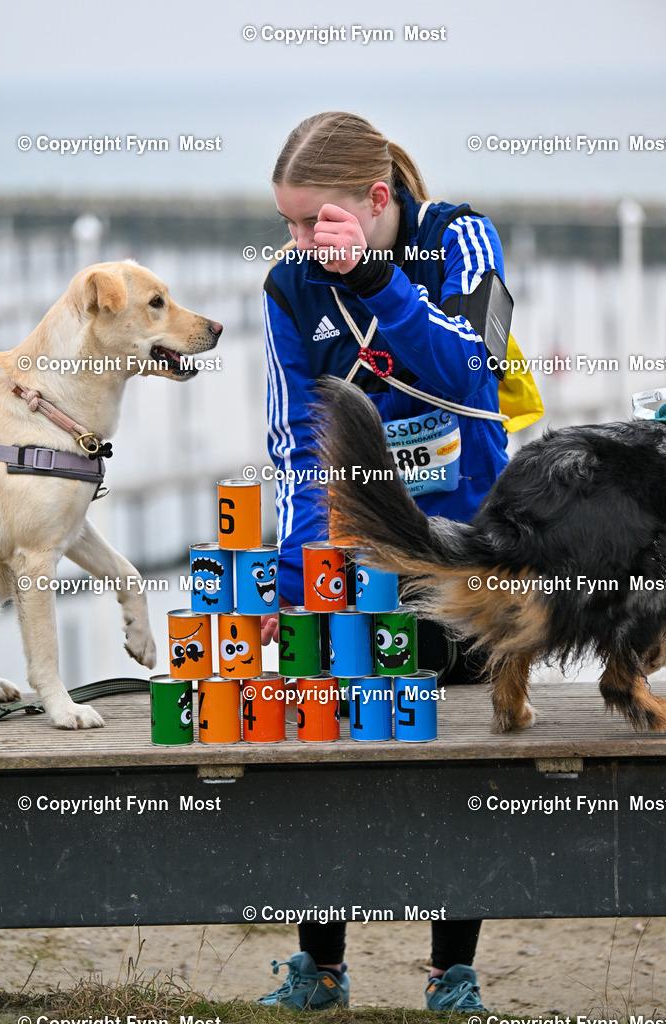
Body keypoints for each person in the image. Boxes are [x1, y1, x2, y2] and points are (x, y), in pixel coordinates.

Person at [260, 111, 510, 1014]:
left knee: (456, 765)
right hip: (355, 555)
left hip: (462, 551)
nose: (299, 241)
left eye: (314, 221)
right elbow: (296, 442)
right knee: (326, 753)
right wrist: (298, 581)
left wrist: (376, 281)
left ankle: (451, 970)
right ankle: (319, 967)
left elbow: (472, 375)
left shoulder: (458, 241)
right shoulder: (289, 284)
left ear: (374, 199)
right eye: (287, 222)